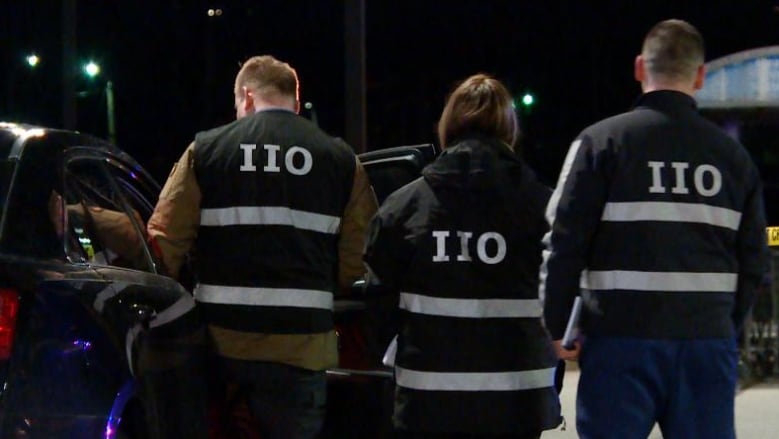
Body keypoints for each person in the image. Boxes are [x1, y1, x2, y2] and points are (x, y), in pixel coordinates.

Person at [540, 19, 770, 438]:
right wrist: (724, 327)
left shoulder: (600, 143)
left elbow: (564, 243)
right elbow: (755, 261)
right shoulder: (733, 159)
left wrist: (557, 327)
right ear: (700, 76)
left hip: (618, 340)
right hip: (705, 341)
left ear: (639, 68)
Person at [146, 55, 378, 439]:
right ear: (295, 104)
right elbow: (356, 263)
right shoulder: (340, 160)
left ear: (248, 98)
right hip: (301, 349)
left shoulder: (205, 151)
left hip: (222, 347)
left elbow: (164, 247)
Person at [364, 73, 561, 438]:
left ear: (448, 124)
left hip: (430, 397)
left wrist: (400, 354)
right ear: (509, 128)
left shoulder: (406, 207)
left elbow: (377, 299)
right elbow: (562, 292)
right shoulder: (543, 206)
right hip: (520, 398)